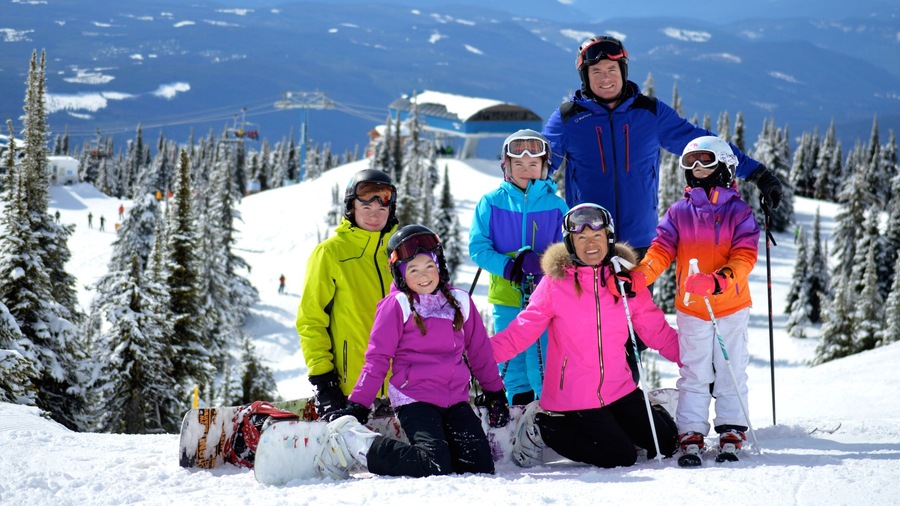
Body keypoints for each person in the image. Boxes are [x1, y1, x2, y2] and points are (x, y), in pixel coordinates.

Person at [542, 35, 783, 254]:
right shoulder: (568, 118)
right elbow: (537, 168)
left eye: (611, 69)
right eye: (596, 71)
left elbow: (706, 146)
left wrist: (757, 173)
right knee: (590, 304)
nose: (605, 78)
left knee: (639, 304)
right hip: (588, 241)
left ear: (623, 71)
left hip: (640, 243)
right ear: (585, 76)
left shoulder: (649, 113)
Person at [490, 203, 681, 469]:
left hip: (619, 388)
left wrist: (694, 361)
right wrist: (479, 358)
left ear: (609, 238)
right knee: (620, 456)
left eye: (597, 236)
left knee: (669, 443)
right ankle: (544, 425)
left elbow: (656, 330)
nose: (590, 243)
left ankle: (630, 422)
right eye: (581, 237)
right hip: (574, 395)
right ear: (570, 243)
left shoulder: (624, 282)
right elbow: (522, 331)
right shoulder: (556, 284)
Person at [316, 225, 509, 478]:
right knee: (434, 464)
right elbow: (377, 360)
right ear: (401, 275)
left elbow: (480, 353)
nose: (424, 275)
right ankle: (359, 446)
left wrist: (495, 393)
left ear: (439, 266)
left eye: (429, 266)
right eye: (413, 270)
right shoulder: (396, 306)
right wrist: (358, 405)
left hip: (455, 398)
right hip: (415, 398)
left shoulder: (460, 302)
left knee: (480, 466)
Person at [632, 136, 760, 461]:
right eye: (691, 163)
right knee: (694, 370)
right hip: (692, 308)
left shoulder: (739, 212)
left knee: (731, 366)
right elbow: (661, 249)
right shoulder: (679, 212)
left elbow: (744, 256)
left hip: (730, 305)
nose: (698, 168)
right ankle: (691, 430)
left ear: (724, 165)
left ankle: (732, 426)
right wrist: (640, 275)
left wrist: (719, 281)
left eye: (705, 161)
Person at [469, 129, 568, 406]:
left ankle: (548, 411)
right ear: (507, 167)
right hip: (507, 295)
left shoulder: (556, 205)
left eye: (533, 164)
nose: (526, 170)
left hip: (546, 299)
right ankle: (517, 406)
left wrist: (547, 264)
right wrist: (510, 267)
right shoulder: (492, 202)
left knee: (543, 358)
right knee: (510, 358)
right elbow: (478, 247)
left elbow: (569, 250)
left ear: (544, 167)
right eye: (519, 164)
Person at [296, 169, 399, 418]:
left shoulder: (400, 255)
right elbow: (311, 320)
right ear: (351, 207)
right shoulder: (330, 253)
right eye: (366, 209)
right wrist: (324, 381)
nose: (374, 217)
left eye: (381, 210)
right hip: (350, 388)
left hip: (401, 388)